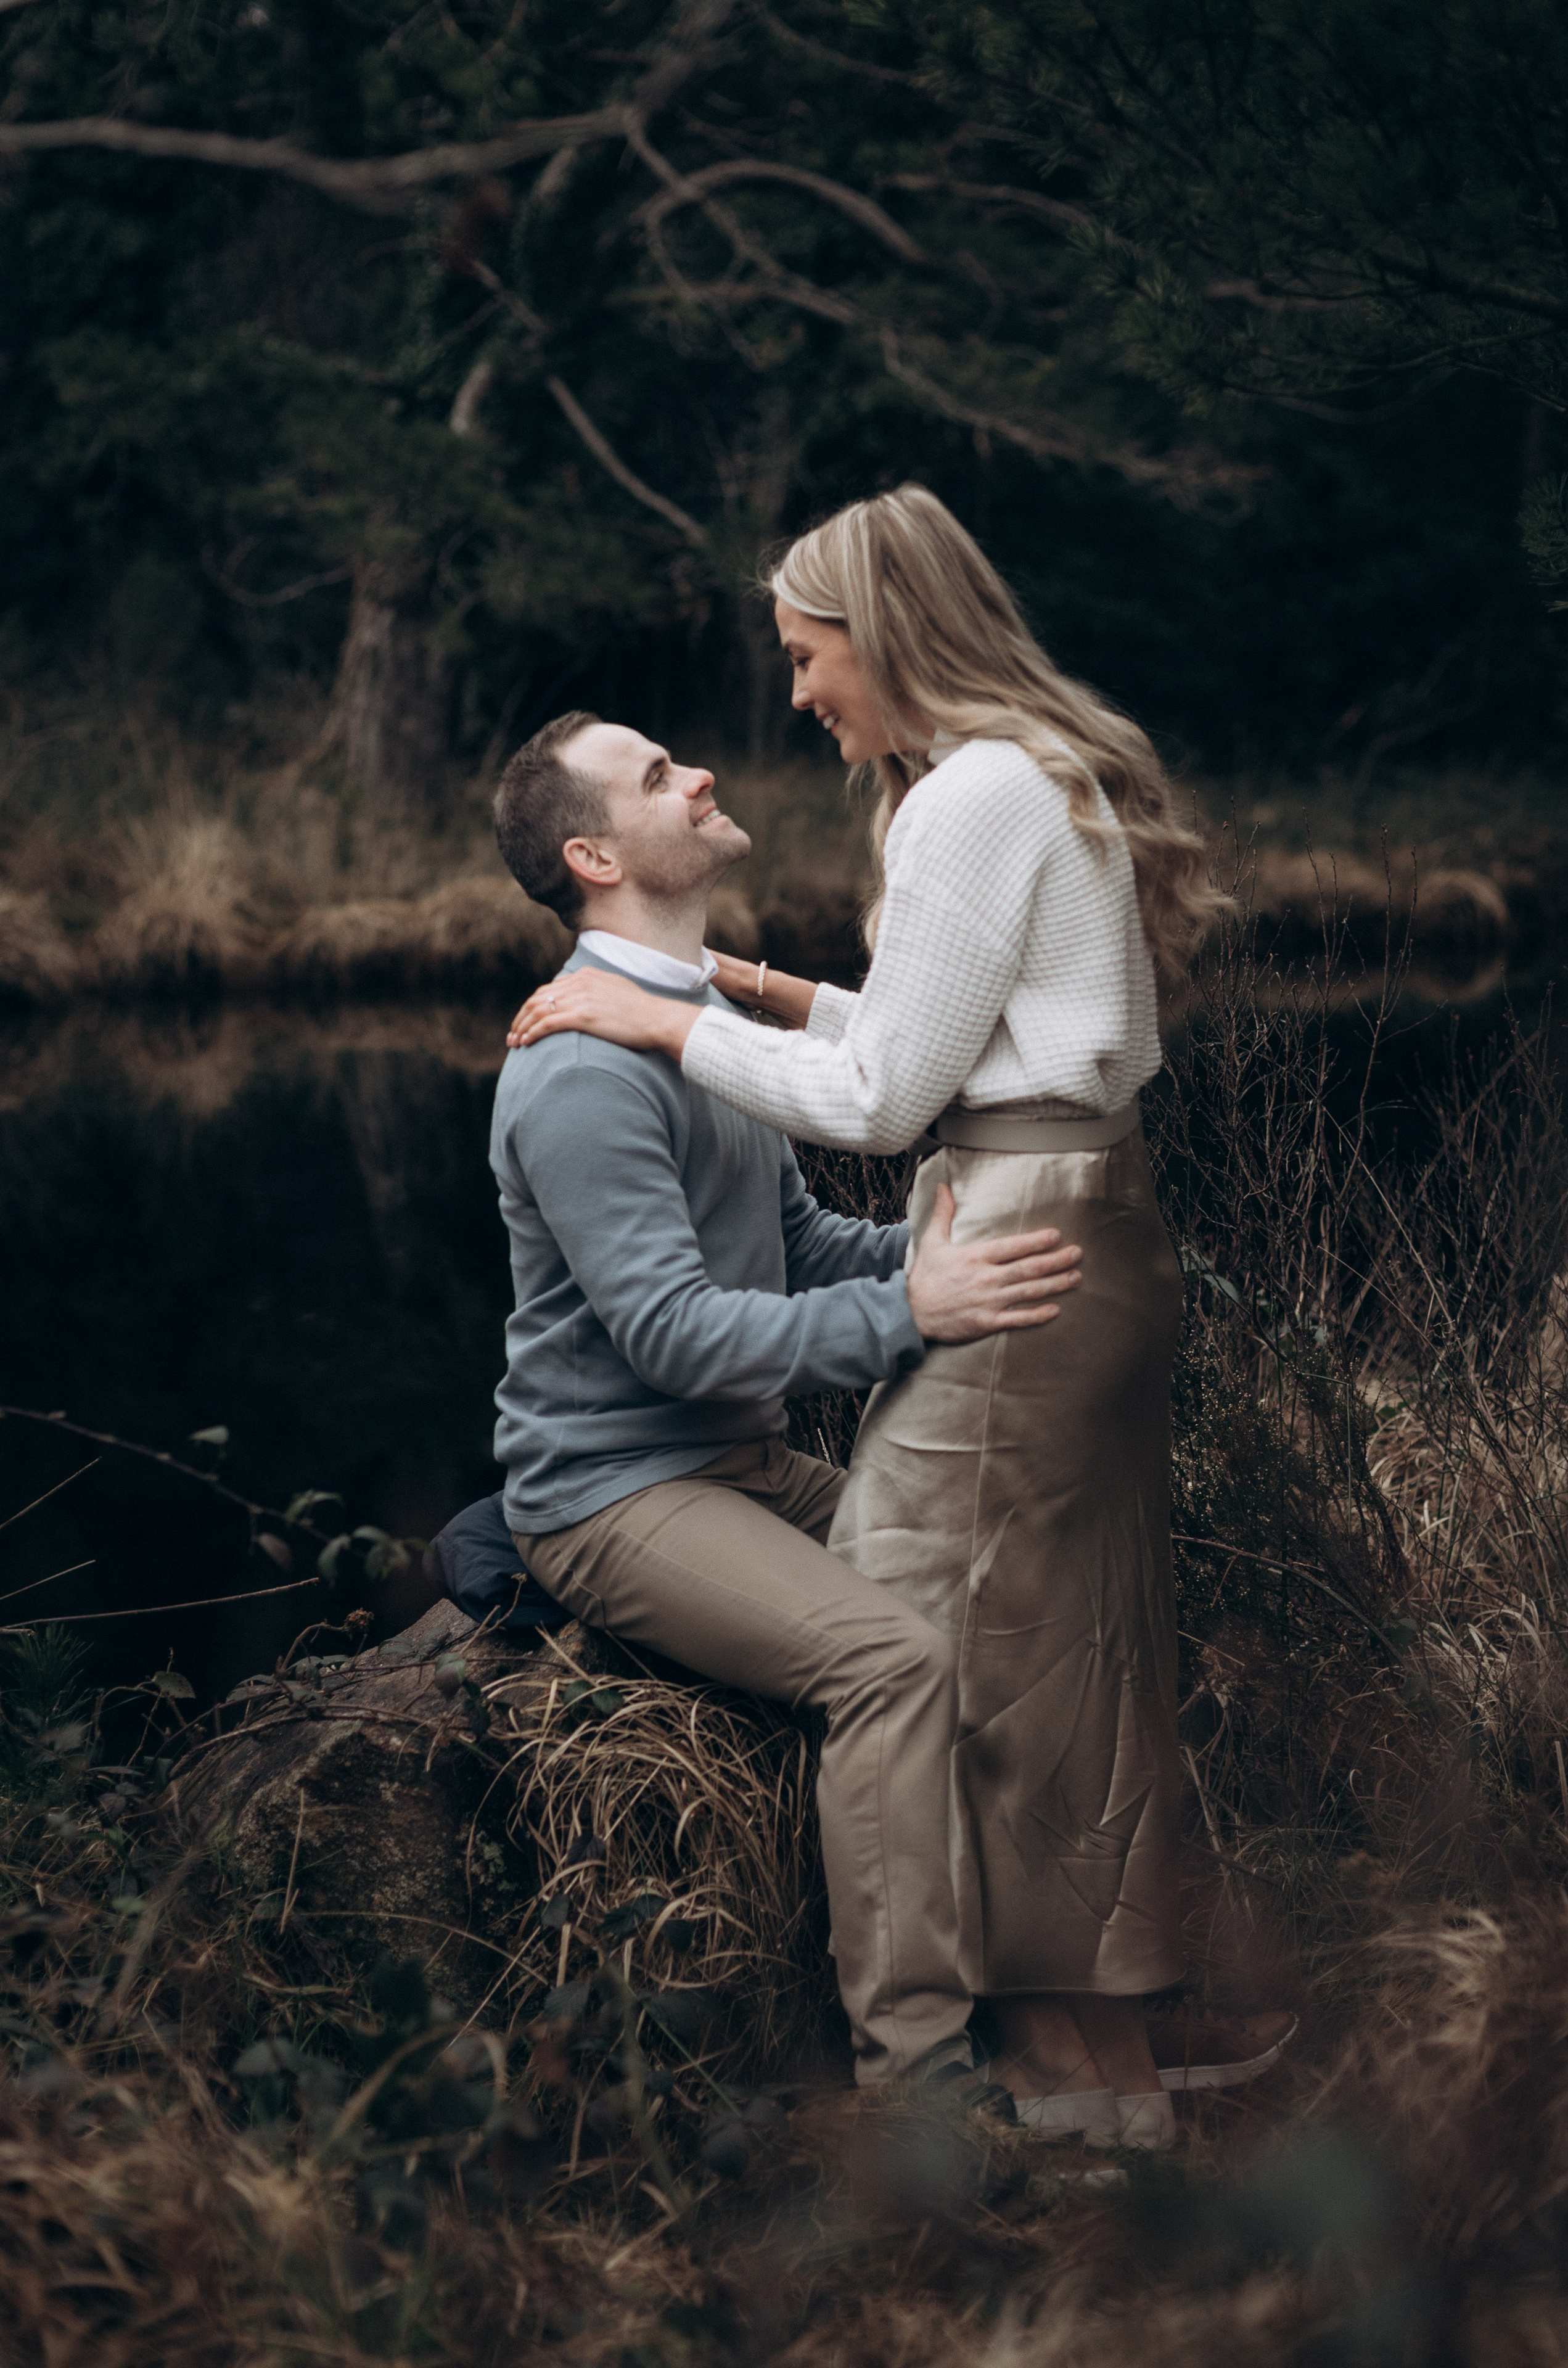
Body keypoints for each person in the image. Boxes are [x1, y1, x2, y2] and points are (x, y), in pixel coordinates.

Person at [507, 485, 1292, 2148]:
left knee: (988, 1645)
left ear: (883, 636)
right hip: (1033, 1220)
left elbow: (866, 1119)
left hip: (1029, 1214)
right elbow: (905, 1087)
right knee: (1033, 1644)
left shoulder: (962, 802)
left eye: (805, 656)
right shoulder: (1012, 781)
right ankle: (1053, 2051)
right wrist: (750, 1026)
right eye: (661, 772)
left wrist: (700, 1036)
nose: (782, 708)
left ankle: (1070, 2065)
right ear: (595, 856)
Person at [486, 707, 1087, 2107]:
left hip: (737, 1466)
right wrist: (908, 1319)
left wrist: (960, 1258)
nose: (697, 774)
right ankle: (922, 2095)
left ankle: (1054, 2028)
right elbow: (678, 1338)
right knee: (889, 1662)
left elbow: (803, 1240)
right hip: (612, 1496)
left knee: (998, 1608)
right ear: (591, 854)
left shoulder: (695, 1017)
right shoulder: (579, 1070)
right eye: (655, 776)